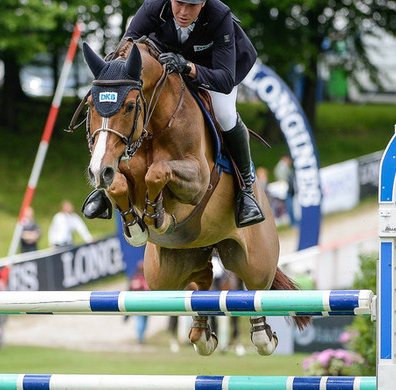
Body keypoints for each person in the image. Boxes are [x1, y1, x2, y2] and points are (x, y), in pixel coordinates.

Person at [81, 0, 264, 228]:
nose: (184, 12)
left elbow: (225, 80)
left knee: (226, 115)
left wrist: (189, 67)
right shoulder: (154, 7)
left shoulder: (219, 16)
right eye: (179, 3)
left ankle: (246, 190)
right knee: (131, 107)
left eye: (192, 6)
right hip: (168, 66)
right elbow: (126, 46)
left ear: (204, 3)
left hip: (214, 71)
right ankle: (105, 180)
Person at [129, 261, 150, 344]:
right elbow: (148, 289)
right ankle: (140, 338)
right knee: (142, 320)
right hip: (144, 302)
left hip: (135, 302)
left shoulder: (134, 277)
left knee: (140, 320)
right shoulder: (144, 278)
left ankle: (140, 337)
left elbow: (130, 289)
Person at [273, 155, 297, 226]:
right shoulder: (281, 167)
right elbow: (283, 178)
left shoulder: (283, 167)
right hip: (285, 189)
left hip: (287, 189)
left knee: (290, 206)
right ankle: (293, 222)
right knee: (289, 206)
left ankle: (293, 221)